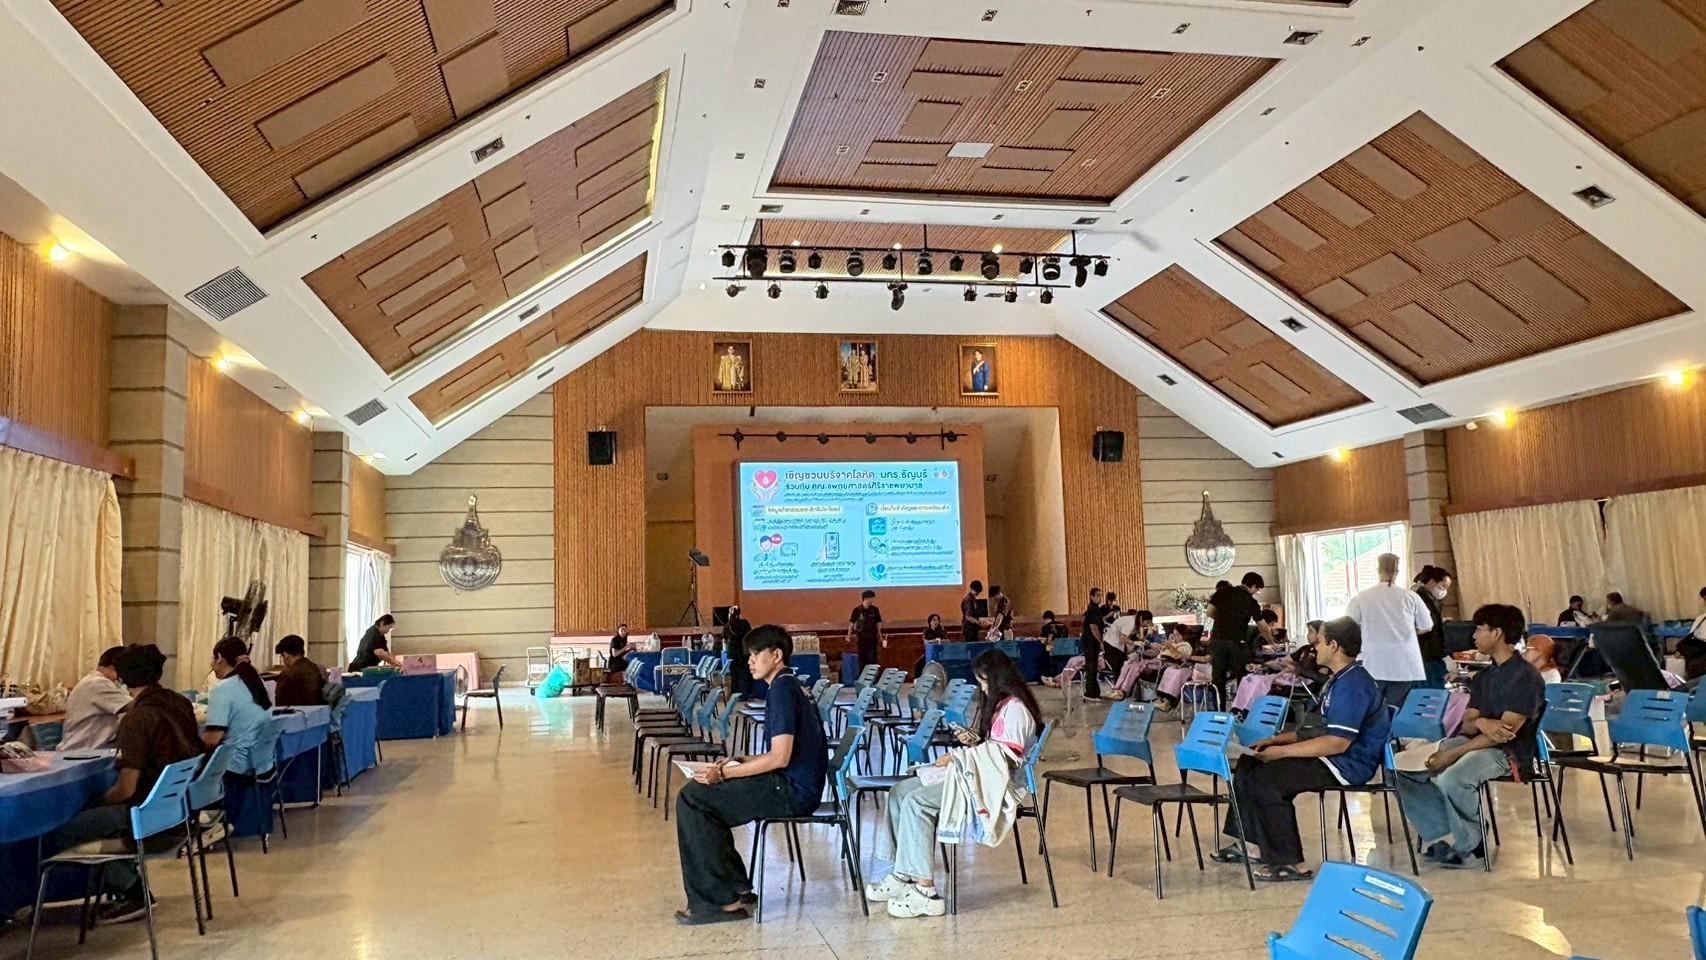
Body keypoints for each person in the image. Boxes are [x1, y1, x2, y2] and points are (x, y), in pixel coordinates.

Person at [1210, 617, 1390, 882]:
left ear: (1334, 645)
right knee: (1249, 764)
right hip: (1330, 755)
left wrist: (1283, 753)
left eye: (1319, 642)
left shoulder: (1354, 684)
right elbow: (1317, 730)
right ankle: (1251, 845)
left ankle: (1291, 863)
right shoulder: (1339, 680)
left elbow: (1337, 742)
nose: (1315, 647)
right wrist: (1277, 741)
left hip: (1346, 764)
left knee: (1268, 780)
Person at [865, 649, 1041, 917]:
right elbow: (993, 748)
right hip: (977, 774)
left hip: (991, 787)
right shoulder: (1001, 706)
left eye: (984, 681)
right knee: (901, 790)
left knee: (917, 802)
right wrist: (975, 742)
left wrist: (959, 756)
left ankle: (925, 891)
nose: (983, 688)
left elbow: (1006, 758)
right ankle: (903, 874)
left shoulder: (1016, 709)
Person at [673, 625, 827, 924]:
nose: (750, 661)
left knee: (694, 799)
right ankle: (736, 888)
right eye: (749, 656)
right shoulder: (788, 685)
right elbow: (784, 752)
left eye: (756, 654)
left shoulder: (782, 690)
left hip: (792, 791)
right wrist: (741, 761)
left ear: (776, 655)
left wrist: (725, 774)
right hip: (794, 784)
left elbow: (780, 758)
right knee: (701, 798)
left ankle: (720, 903)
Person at [48, 644, 201, 924]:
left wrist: (96, 802)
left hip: (144, 817)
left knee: (62, 829)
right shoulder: (180, 704)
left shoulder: (137, 719)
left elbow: (126, 789)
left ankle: (132, 891)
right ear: (158, 673)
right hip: (176, 813)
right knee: (97, 819)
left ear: (120, 678)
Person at [1395, 603, 1544, 869]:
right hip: (1473, 742)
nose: (1474, 635)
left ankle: (1470, 845)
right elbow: (1469, 724)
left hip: (1506, 754)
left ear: (1497, 633)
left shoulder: (1525, 677)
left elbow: (1502, 735)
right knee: (1400, 769)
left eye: (1479, 629)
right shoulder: (1484, 677)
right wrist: (1484, 722)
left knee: (1452, 778)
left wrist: (1453, 753)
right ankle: (1445, 834)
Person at [1346, 554, 1433, 709]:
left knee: (1374, 711)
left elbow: (1348, 626)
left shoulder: (1362, 597)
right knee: (1397, 711)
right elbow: (1426, 626)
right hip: (1405, 664)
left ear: (1377, 570)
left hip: (1374, 663)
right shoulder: (1410, 596)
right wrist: (1405, 633)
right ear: (1397, 571)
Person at [204, 638, 278, 780]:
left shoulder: (222, 689)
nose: (212, 664)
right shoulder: (257, 682)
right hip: (263, 765)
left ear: (219, 658)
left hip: (234, 767)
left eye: (213, 659)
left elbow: (213, 738)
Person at [58, 645, 133, 751]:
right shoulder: (98, 683)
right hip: (84, 752)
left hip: (91, 748)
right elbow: (134, 706)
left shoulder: (94, 681)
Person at [1208, 572, 1268, 701]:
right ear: (1253, 586)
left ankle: (1218, 707)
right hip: (1237, 641)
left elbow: (1209, 612)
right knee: (1242, 674)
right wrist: (1272, 641)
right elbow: (1262, 625)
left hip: (1218, 640)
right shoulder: (1250, 601)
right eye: (1257, 589)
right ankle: (1240, 707)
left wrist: (1223, 620)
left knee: (1218, 677)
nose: (1256, 592)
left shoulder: (1222, 592)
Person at [1413, 565, 1453, 689]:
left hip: (1431, 656)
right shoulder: (1419, 599)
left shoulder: (1430, 599)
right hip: (1426, 657)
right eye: (1443, 586)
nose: (1444, 591)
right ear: (1432, 582)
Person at [271, 634, 325, 707]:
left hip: (296, 712)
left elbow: (280, 703)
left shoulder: (287, 675)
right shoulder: (315, 668)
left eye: (282, 656)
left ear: (286, 655)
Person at [1079, 587, 1107, 698]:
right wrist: (1101, 641)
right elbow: (1093, 627)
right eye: (1098, 595)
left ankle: (1094, 692)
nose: (1100, 598)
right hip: (1090, 641)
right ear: (1092, 596)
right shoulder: (1093, 609)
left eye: (1101, 595)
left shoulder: (1095, 608)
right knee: (1091, 666)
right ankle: (1090, 692)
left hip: (1091, 641)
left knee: (1093, 666)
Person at [847, 590, 885, 670]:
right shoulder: (857, 610)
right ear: (866, 599)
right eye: (871, 598)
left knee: (872, 658)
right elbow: (851, 623)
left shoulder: (875, 610)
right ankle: (862, 675)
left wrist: (879, 634)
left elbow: (878, 622)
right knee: (862, 658)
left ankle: (872, 674)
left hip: (872, 637)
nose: (872, 600)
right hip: (861, 638)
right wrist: (848, 635)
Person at [1676, 586, 1706, 682]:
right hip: (1698, 657)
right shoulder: (1701, 619)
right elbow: (1690, 637)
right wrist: (1680, 650)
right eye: (1705, 599)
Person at [722, 607, 753, 697]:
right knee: (744, 674)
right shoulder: (744, 624)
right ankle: (745, 694)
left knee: (735, 675)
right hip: (743, 654)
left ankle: (735, 694)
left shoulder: (728, 626)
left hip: (733, 655)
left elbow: (724, 638)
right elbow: (749, 636)